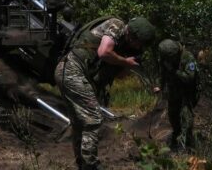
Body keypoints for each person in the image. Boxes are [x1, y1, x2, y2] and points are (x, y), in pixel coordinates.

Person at [56, 16, 156, 170]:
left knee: (80, 123)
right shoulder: (117, 25)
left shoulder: (122, 46)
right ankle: (90, 165)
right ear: (133, 35)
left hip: (72, 73)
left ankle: (83, 164)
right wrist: (125, 61)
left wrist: (127, 64)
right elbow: (103, 52)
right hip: (72, 70)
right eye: (139, 44)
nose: (139, 47)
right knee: (93, 118)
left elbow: (120, 76)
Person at [153, 39, 199, 151]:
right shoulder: (165, 57)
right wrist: (159, 86)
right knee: (173, 115)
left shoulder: (188, 58)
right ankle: (176, 137)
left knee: (186, 118)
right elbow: (162, 73)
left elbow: (189, 78)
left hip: (188, 92)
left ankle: (187, 145)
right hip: (173, 91)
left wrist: (174, 71)